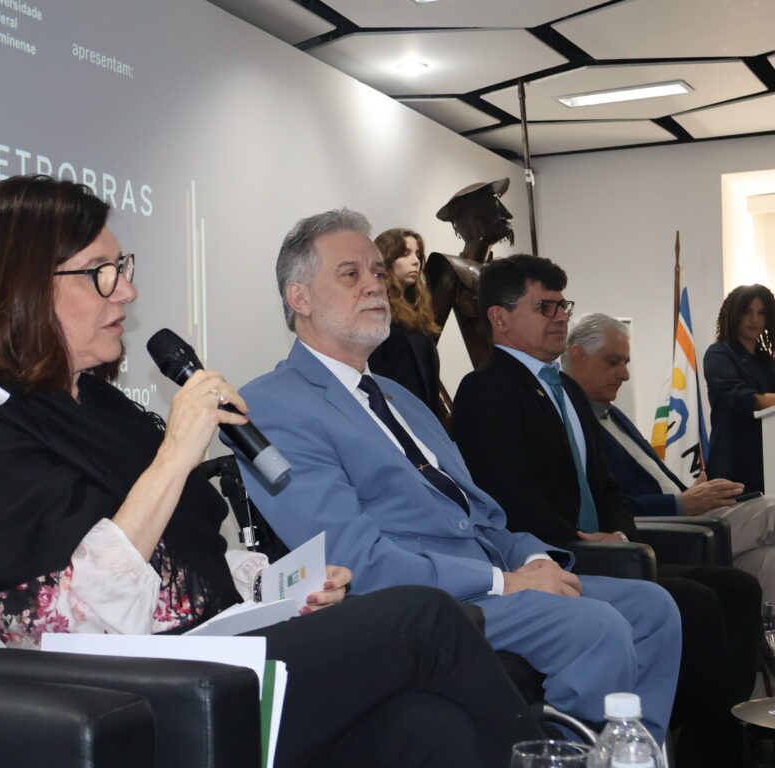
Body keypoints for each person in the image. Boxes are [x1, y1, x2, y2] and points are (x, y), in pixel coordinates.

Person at [0, 175, 546, 768]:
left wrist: (281, 590)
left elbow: (185, 566)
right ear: (22, 287)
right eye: (101, 272)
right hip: (116, 701)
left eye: (122, 267)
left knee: (429, 729)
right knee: (427, 619)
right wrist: (175, 456)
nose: (127, 289)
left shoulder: (100, 410)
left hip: (206, 665)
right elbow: (57, 630)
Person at [233, 207, 680, 746]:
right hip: (414, 602)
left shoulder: (401, 399)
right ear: (298, 298)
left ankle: (632, 758)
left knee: (654, 609)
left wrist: (529, 557)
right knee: (597, 629)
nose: (375, 285)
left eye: (377, 271)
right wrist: (505, 581)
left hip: (492, 577)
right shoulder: (270, 405)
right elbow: (354, 557)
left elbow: (479, 515)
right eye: (350, 274)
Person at [450, 255, 761, 767]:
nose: (558, 316)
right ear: (499, 318)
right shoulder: (485, 390)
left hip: (608, 550)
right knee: (698, 604)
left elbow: (608, 487)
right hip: (553, 555)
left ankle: (711, 743)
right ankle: (687, 751)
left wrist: (617, 532)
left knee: (736, 588)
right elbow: (507, 497)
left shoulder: (568, 388)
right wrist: (575, 537)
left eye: (562, 305)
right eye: (543, 305)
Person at [564, 312, 775, 603]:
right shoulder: (572, 424)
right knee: (772, 510)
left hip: (693, 517)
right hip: (663, 527)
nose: (625, 374)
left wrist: (690, 492)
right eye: (614, 362)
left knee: (769, 561)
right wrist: (681, 503)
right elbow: (610, 505)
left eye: (626, 363)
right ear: (577, 356)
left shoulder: (612, 414)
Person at [424, 179, 514, 369]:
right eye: (492, 206)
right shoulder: (451, 267)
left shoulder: (503, 272)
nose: (505, 214)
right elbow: (425, 342)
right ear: (473, 218)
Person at [367, 228, 447, 422]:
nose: (416, 261)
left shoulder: (419, 314)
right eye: (405, 254)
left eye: (418, 254)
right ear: (386, 259)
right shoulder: (374, 312)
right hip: (396, 420)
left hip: (425, 418)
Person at [704, 284, 775, 493]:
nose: (754, 319)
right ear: (734, 314)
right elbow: (741, 398)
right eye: (747, 312)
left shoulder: (766, 360)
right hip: (732, 464)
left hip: (767, 463)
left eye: (761, 313)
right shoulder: (718, 354)